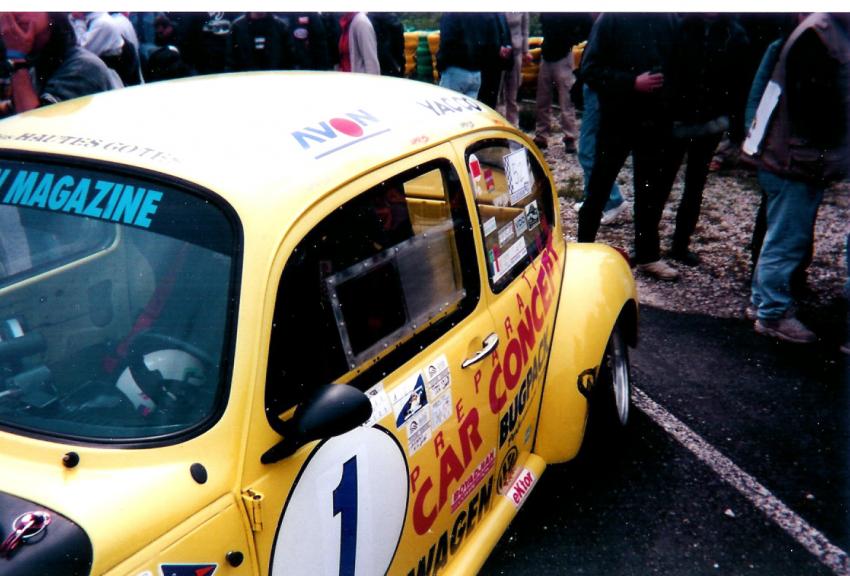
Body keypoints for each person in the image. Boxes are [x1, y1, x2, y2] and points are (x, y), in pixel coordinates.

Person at [743, 13, 850, 343]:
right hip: (795, 161)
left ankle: (763, 303)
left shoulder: (824, 31)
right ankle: (772, 314)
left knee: (781, 237)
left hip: (791, 158)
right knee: (787, 241)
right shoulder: (819, 35)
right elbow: (814, 111)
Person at [577, 13, 680, 281]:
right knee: (599, 187)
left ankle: (648, 256)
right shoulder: (612, 18)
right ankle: (582, 251)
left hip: (655, 120)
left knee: (650, 193)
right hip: (617, 119)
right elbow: (590, 70)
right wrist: (631, 82)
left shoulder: (668, 17)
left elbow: (678, 67)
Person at [663, 14, 750, 266]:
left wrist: (736, 128)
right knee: (661, 182)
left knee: (695, 185)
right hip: (676, 120)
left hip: (711, 122)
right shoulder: (679, 26)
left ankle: (680, 245)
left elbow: (740, 84)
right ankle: (648, 247)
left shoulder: (735, 34)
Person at [0, 12, 122, 115]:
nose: (11, 15)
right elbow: (15, 107)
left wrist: (17, 59)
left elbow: (35, 125)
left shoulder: (83, 66)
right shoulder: (37, 62)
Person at [533, 13, 593, 154]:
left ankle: (570, 137)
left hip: (564, 56)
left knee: (566, 100)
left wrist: (573, 40)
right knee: (542, 100)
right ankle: (541, 135)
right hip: (546, 55)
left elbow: (587, 25)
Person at [436, 13, 486, 98]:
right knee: (470, 106)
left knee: (449, 104)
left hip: (455, 70)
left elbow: (447, 42)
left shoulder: (450, 15)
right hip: (476, 72)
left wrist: (440, 65)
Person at [227, 12, 294, 72]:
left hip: (275, 76)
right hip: (245, 77)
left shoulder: (280, 26)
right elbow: (230, 58)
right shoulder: (237, 27)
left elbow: (290, 58)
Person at [498, 12, 530, 125]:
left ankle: (513, 125)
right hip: (498, 52)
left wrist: (525, 51)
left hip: (516, 52)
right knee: (496, 93)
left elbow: (525, 30)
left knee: (512, 94)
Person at [143, 13, 193, 82]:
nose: (160, 36)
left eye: (161, 33)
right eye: (158, 33)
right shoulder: (160, 37)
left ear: (169, 28)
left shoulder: (181, 35)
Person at [477, 13, 512, 109]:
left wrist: (507, 46)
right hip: (484, 62)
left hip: (497, 64)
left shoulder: (501, 14)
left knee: (492, 99)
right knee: (482, 98)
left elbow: (505, 32)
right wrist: (496, 48)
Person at [368, 12, 405, 77]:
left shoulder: (368, 18)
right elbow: (400, 47)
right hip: (391, 64)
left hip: (374, 63)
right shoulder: (393, 19)